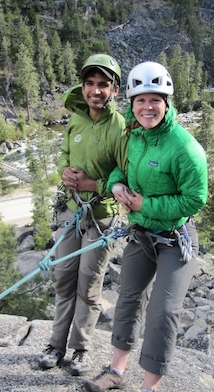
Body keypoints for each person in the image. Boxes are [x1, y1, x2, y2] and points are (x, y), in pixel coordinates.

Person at [84, 61, 208, 391]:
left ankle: (149, 387)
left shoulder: (185, 148)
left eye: (155, 100)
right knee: (127, 299)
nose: (147, 107)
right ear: (132, 104)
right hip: (141, 235)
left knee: (163, 311)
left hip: (174, 238)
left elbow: (194, 200)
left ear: (166, 103)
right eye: (140, 100)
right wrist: (116, 187)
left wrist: (143, 205)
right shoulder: (135, 136)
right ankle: (116, 372)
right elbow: (118, 169)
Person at [38, 54, 127, 376]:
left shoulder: (121, 128)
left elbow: (125, 175)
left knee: (88, 286)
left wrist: (95, 184)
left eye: (103, 84)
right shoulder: (76, 117)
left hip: (102, 217)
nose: (95, 90)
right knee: (63, 279)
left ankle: (81, 348)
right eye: (90, 83)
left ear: (115, 90)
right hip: (72, 210)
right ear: (83, 86)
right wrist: (64, 169)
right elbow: (65, 150)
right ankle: (55, 344)